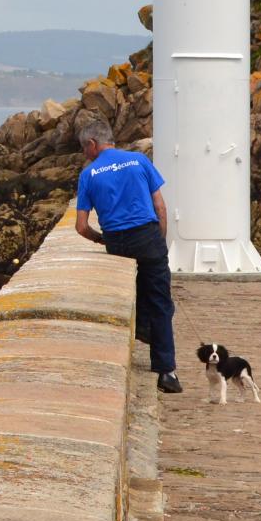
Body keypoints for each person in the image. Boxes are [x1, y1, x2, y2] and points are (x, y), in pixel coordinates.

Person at [73, 118, 181, 393]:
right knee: (160, 302)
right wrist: (160, 241)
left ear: (92, 144)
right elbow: (160, 206)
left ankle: (141, 330)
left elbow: (81, 226)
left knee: (130, 294)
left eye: (84, 148)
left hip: (117, 241)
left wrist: (102, 239)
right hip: (148, 236)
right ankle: (167, 372)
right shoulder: (139, 160)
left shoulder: (89, 174)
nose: (84, 153)